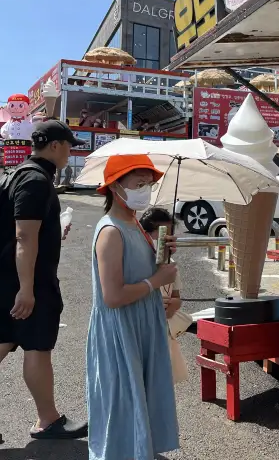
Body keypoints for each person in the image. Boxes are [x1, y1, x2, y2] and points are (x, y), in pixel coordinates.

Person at [87, 155, 179, 460]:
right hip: (120, 331)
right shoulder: (111, 231)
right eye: (138, 184)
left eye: (148, 184)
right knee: (122, 405)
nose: (145, 190)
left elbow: (141, 272)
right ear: (115, 186)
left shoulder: (135, 224)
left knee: (138, 401)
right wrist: (155, 283)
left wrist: (162, 257)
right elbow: (112, 296)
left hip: (139, 326)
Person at [0, 120, 87, 439]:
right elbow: (24, 236)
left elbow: (24, 232)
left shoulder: (20, 174)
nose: (70, 152)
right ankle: (47, 420)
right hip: (27, 282)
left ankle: (48, 417)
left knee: (9, 340)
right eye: (68, 145)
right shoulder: (35, 180)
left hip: (16, 278)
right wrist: (26, 289)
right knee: (37, 346)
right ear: (55, 145)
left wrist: (53, 233)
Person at [139, 206, 191, 384]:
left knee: (163, 383)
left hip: (165, 333)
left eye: (170, 234)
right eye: (161, 234)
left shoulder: (171, 265)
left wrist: (173, 305)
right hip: (143, 333)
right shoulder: (138, 265)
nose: (167, 240)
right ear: (145, 235)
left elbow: (177, 296)